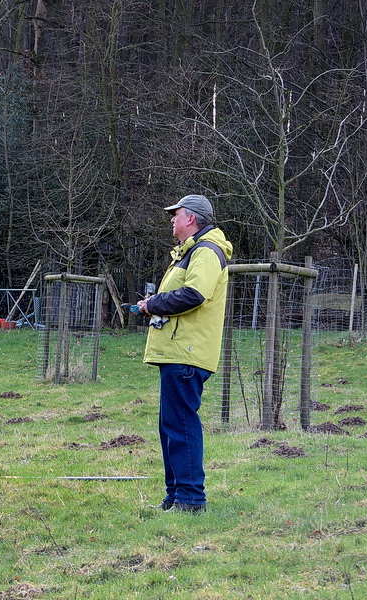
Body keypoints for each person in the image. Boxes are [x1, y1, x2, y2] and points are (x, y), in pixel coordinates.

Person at [136, 194, 233, 513]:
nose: (171, 220)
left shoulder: (205, 251)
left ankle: (191, 498)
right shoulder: (192, 252)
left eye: (175, 215)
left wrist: (153, 305)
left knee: (180, 424)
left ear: (190, 218)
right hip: (178, 351)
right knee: (170, 425)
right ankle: (175, 495)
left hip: (187, 352)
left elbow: (195, 294)